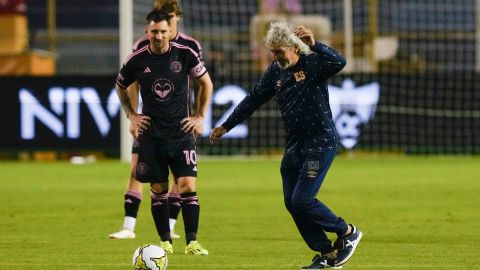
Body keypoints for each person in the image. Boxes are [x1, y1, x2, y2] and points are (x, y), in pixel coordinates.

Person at [209, 22, 362, 269]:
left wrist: (315, 45)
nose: (276, 56)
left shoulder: (312, 63)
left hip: (320, 143)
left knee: (302, 200)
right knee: (292, 203)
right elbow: (253, 99)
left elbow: (339, 62)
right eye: (273, 52)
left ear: (294, 47)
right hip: (294, 146)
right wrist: (226, 125)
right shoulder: (275, 72)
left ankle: (348, 231)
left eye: (279, 51)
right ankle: (327, 253)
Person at [115, 9, 212, 255]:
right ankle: (165, 241)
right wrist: (131, 114)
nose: (158, 36)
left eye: (163, 31)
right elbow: (120, 85)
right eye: (154, 32)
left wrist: (200, 116)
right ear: (147, 32)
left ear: (170, 31)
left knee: (187, 183)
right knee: (158, 188)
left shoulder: (186, 54)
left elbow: (206, 83)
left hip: (181, 133)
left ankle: (192, 242)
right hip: (152, 136)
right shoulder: (137, 59)